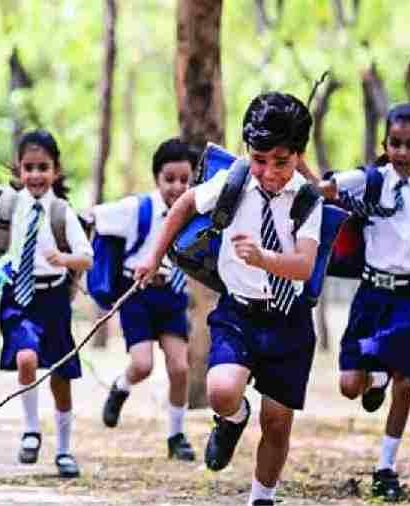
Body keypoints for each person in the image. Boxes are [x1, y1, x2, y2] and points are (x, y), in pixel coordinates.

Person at [135, 92, 320, 506]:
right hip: (239, 312)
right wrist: (153, 256)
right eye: (259, 159)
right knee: (221, 391)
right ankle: (234, 418)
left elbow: (304, 266)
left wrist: (264, 258)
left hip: (289, 321)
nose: (269, 172)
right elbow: (184, 205)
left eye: (281, 162)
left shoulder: (308, 199)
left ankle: (262, 497)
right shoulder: (233, 182)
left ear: (298, 156)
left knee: (277, 422)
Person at [300, 103, 410, 502]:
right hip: (371, 296)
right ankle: (376, 378)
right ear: (385, 144)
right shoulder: (370, 181)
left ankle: (385, 467)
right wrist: (299, 161)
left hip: (409, 298)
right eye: (396, 143)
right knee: (351, 386)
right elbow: (324, 190)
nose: (403, 152)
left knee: (406, 381)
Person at [0, 129, 93, 478]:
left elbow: (87, 257)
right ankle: (31, 430)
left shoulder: (60, 212)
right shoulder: (7, 205)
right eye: (28, 167)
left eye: (43, 167)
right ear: (18, 169)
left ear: (55, 171)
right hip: (17, 295)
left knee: (61, 375)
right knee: (26, 357)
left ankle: (63, 449)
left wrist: (64, 258)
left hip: (53, 298)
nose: (35, 175)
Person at [93, 137, 197, 461]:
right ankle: (121, 386)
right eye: (170, 179)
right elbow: (95, 216)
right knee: (143, 365)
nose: (177, 187)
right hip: (137, 294)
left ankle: (176, 435)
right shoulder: (138, 208)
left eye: (185, 179)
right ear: (156, 178)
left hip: (172, 294)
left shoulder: (196, 211)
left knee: (180, 367)